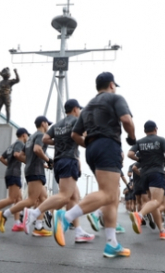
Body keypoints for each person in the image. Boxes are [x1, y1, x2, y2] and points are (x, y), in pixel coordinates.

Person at [55, 71, 135, 258]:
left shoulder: (88, 106)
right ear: (112, 85)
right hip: (108, 145)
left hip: (91, 149)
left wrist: (90, 144)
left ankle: (111, 243)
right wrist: (132, 137)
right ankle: (65, 217)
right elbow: (126, 120)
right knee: (108, 193)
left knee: (113, 197)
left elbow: (76, 135)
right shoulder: (115, 98)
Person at [22, 99, 95, 243]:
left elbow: (46, 138)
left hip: (58, 161)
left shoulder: (57, 125)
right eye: (78, 109)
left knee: (74, 197)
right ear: (75, 109)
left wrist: (59, 141)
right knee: (64, 196)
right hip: (69, 160)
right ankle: (33, 213)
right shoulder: (76, 121)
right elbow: (85, 136)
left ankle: (79, 231)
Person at [0, 116, 52, 237]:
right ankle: (4, 214)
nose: (48, 126)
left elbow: (21, 155)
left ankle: (38, 226)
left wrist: (32, 163)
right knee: (31, 200)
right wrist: (49, 160)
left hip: (33, 169)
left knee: (43, 197)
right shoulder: (39, 135)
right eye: (48, 123)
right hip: (36, 171)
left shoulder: (30, 138)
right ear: (43, 123)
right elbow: (38, 150)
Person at [128, 120, 165, 240]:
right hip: (156, 172)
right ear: (156, 129)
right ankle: (139, 215)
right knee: (157, 202)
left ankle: (162, 230)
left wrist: (140, 159)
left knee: (153, 203)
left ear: (144, 130)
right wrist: (160, 159)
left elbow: (130, 154)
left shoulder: (140, 141)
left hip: (144, 175)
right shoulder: (161, 140)